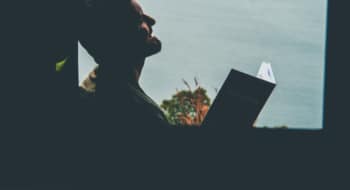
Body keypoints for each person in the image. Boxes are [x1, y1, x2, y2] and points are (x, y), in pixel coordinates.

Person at [79, 0, 170, 129]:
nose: (151, 21)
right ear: (119, 37)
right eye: (139, 19)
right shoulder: (144, 116)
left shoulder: (92, 87)